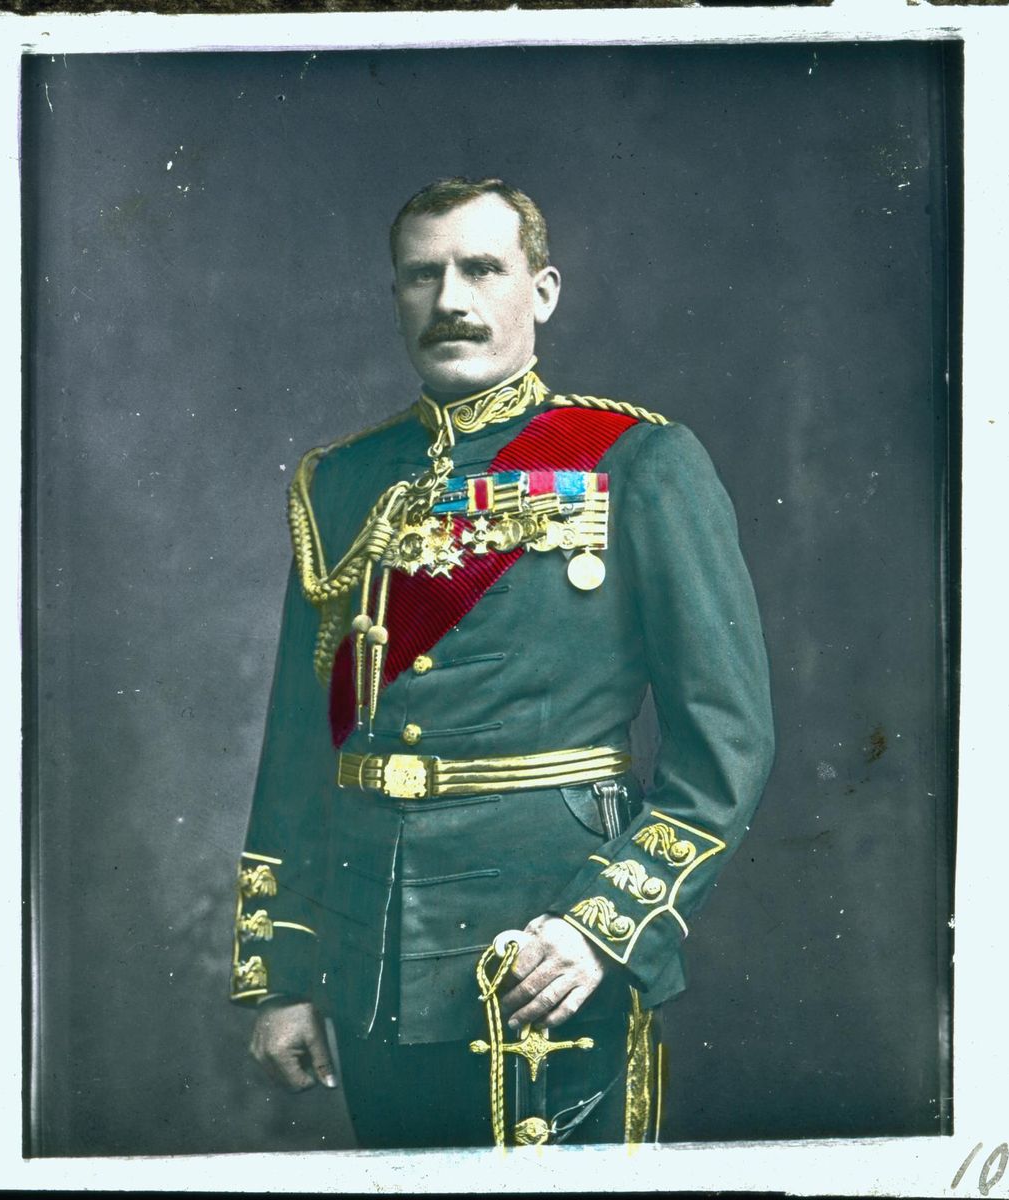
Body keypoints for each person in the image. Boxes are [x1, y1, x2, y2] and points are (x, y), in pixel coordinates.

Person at [229, 177, 774, 1149]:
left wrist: (602, 925)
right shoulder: (344, 482)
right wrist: (285, 979)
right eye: (421, 275)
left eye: (481, 268)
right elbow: (297, 749)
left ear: (543, 290)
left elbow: (725, 741)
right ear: (395, 294)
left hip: (546, 948)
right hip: (373, 964)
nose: (450, 300)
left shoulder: (637, 462)